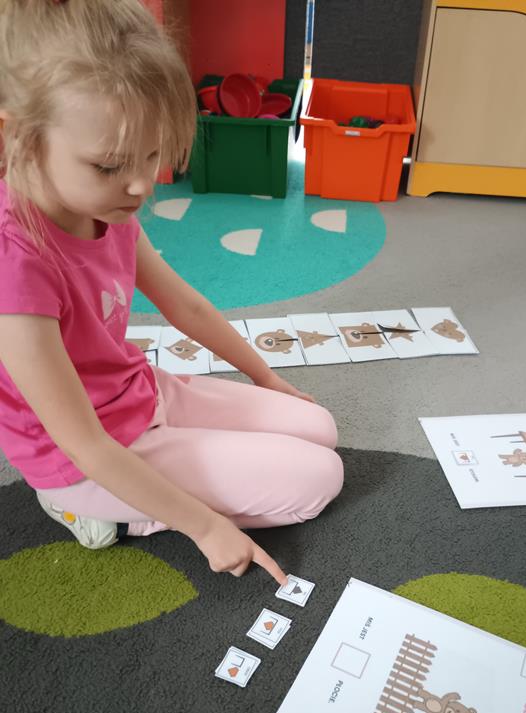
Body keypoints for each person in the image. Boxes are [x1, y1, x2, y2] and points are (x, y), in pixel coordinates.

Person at [0, 0, 343, 585]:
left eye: (153, 153)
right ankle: (87, 508)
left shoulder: (105, 203)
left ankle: (157, 476)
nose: (141, 184)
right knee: (319, 481)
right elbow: (83, 443)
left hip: (137, 392)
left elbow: (185, 305)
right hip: (81, 459)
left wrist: (265, 376)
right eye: (110, 165)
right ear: (19, 139)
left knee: (319, 427)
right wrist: (204, 527)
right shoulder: (15, 264)